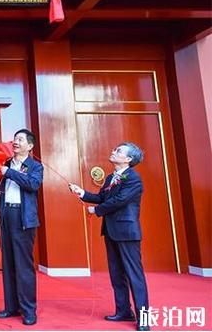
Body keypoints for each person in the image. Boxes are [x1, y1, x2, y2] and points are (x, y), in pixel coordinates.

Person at [69, 142, 150, 331]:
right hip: (111, 231)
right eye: (114, 149)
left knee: (134, 275)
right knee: (116, 274)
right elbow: (102, 198)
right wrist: (81, 192)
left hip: (127, 232)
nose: (113, 151)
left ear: (128, 159)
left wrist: (96, 211)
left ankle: (144, 318)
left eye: (118, 151)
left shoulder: (133, 179)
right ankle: (123, 310)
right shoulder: (110, 178)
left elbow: (119, 201)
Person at [0, 129, 43, 326]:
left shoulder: (35, 167)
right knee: (9, 264)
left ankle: (29, 310)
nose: (15, 142)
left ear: (30, 146)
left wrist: (10, 172)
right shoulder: (4, 164)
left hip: (23, 219)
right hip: (6, 216)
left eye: (20, 140)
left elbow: (32, 185)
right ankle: (11, 307)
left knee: (24, 266)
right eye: (15, 139)